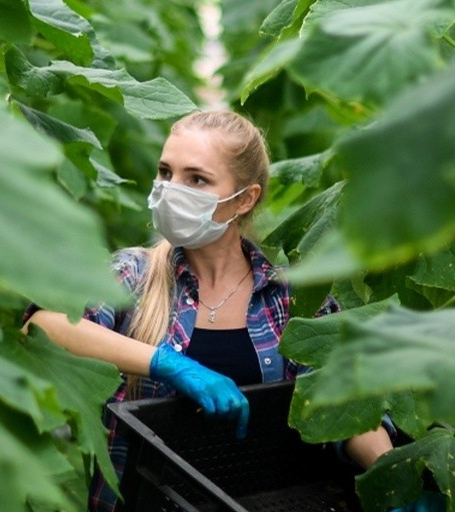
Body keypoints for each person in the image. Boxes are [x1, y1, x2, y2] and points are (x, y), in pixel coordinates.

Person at [22, 110, 395, 512]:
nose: (171, 189)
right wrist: (166, 363)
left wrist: (389, 473)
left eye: (196, 179)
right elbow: (43, 327)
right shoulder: (135, 275)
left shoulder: (291, 297)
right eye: (165, 172)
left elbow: (343, 399)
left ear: (245, 198)